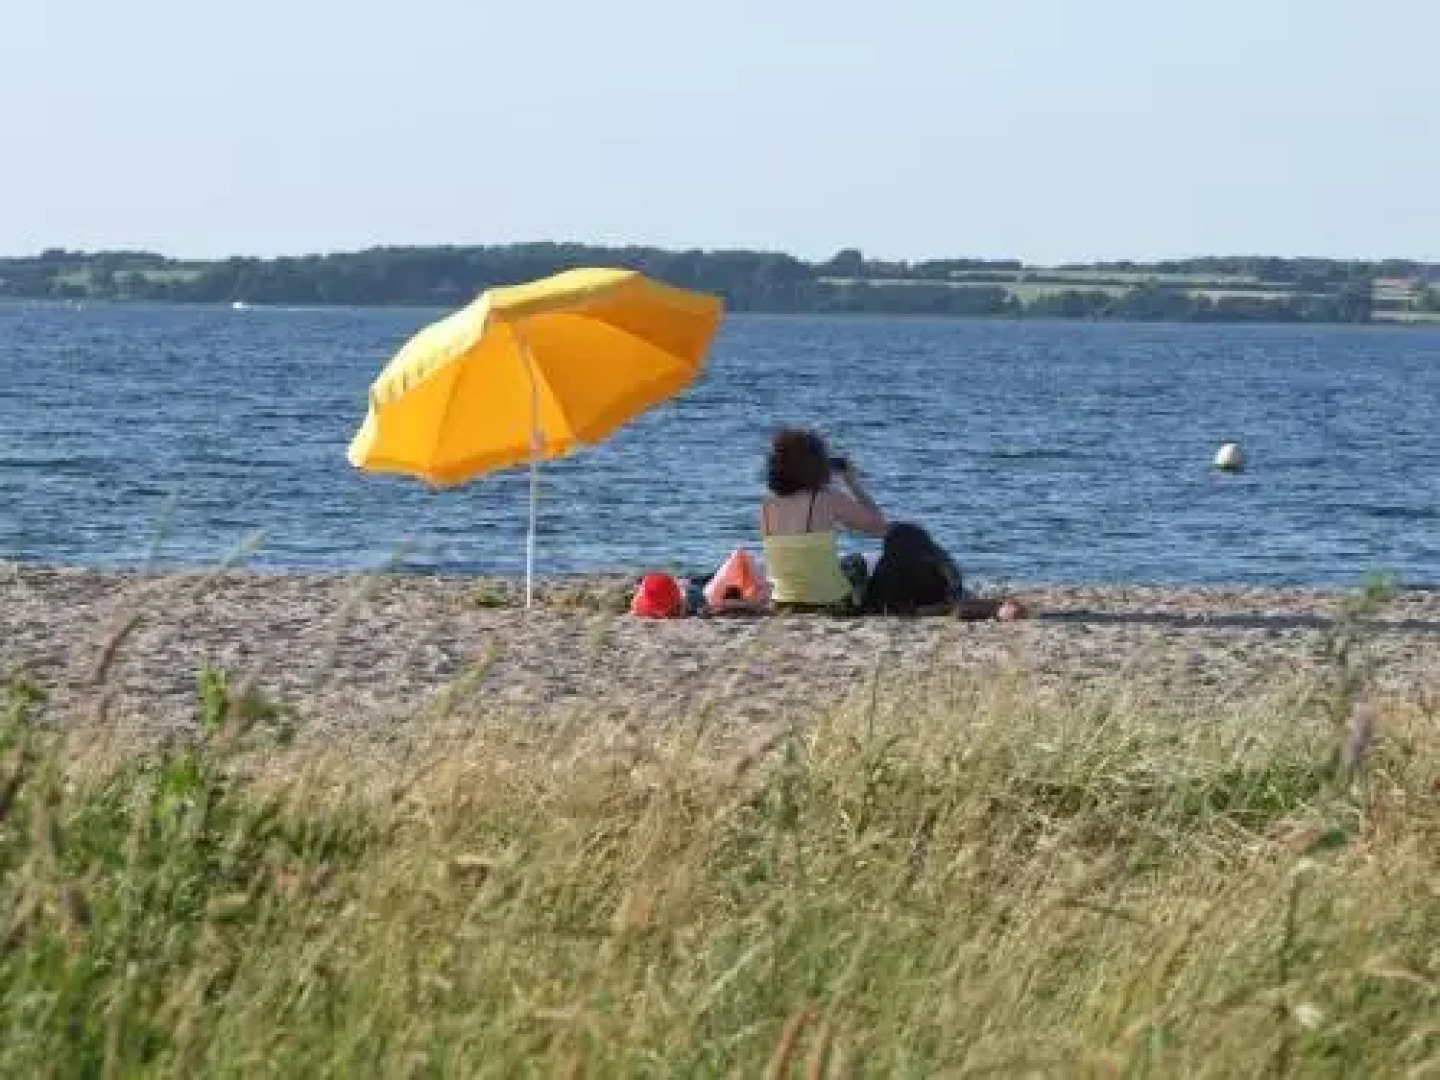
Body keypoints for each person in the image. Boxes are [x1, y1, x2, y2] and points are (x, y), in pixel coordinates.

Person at [760, 428, 886, 613]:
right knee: (862, 563)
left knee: (842, 562)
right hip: (829, 602)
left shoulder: (767, 504)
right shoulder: (827, 498)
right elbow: (879, 527)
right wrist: (852, 483)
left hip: (783, 601)